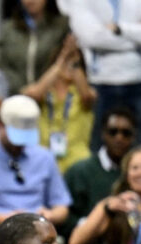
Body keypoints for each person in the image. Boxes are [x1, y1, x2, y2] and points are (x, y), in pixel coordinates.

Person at [68, 0, 141, 146]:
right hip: (102, 84)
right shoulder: (83, 2)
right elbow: (92, 38)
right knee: (99, 146)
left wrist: (120, 29)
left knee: (139, 149)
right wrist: (138, 37)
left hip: (137, 83)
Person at [62, 107, 137, 244]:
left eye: (126, 133)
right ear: (103, 134)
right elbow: (66, 221)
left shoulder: (137, 174)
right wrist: (95, 223)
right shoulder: (80, 171)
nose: (119, 138)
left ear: (133, 137)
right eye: (113, 132)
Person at [0, 95, 72, 231]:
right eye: (16, 138)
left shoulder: (44, 157)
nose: (20, 144)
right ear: (0, 125)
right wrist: (6, 218)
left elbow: (62, 207)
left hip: (36, 233)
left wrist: (49, 215)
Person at [22, 35, 97, 173]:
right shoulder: (44, 90)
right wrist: (61, 60)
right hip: (44, 154)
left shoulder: (84, 91)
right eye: (65, 62)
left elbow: (87, 97)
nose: (68, 67)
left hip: (77, 158)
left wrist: (75, 61)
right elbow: (33, 95)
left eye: (73, 63)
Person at [0, 0, 70, 95]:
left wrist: (41, 88)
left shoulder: (62, 26)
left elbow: (66, 60)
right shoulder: (8, 28)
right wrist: (22, 89)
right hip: (15, 96)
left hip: (53, 96)